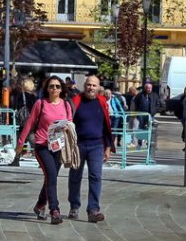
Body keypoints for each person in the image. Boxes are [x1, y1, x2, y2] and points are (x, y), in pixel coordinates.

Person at [17, 75, 74, 225]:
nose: (54, 88)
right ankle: (54, 210)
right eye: (51, 86)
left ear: (61, 89)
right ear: (47, 89)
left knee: (51, 177)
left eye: (57, 86)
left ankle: (40, 205)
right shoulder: (40, 104)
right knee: (51, 175)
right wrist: (20, 142)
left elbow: (70, 123)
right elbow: (29, 124)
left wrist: (67, 128)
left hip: (59, 146)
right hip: (42, 145)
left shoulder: (66, 105)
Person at [68, 76, 114, 222]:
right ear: (84, 85)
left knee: (96, 177)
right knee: (75, 177)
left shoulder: (102, 103)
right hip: (78, 145)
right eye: (88, 85)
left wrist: (107, 147)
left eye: (94, 85)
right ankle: (74, 206)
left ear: (98, 87)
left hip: (96, 145)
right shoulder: (76, 101)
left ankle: (93, 209)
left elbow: (106, 126)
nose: (91, 88)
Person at [130, 81, 161, 148]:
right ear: (145, 88)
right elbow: (136, 103)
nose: (149, 89)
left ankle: (150, 144)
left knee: (151, 129)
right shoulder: (140, 95)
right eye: (147, 88)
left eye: (150, 88)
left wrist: (154, 111)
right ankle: (139, 143)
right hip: (142, 114)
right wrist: (137, 112)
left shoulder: (154, 95)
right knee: (141, 129)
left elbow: (158, 104)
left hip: (150, 115)